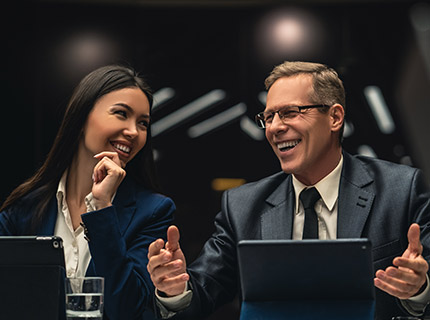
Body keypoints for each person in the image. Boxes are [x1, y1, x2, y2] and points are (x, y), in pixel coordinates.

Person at [147, 61, 430, 319]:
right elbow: (203, 291)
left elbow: (424, 283)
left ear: (334, 117)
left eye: (290, 113)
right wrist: (174, 289)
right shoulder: (243, 205)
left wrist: (419, 289)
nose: (275, 128)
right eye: (268, 117)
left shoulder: (401, 190)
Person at [0, 65, 175, 320]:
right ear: (81, 118)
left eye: (143, 123)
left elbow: (128, 310)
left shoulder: (154, 212)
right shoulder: (24, 209)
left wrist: (102, 208)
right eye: (121, 113)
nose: (133, 132)